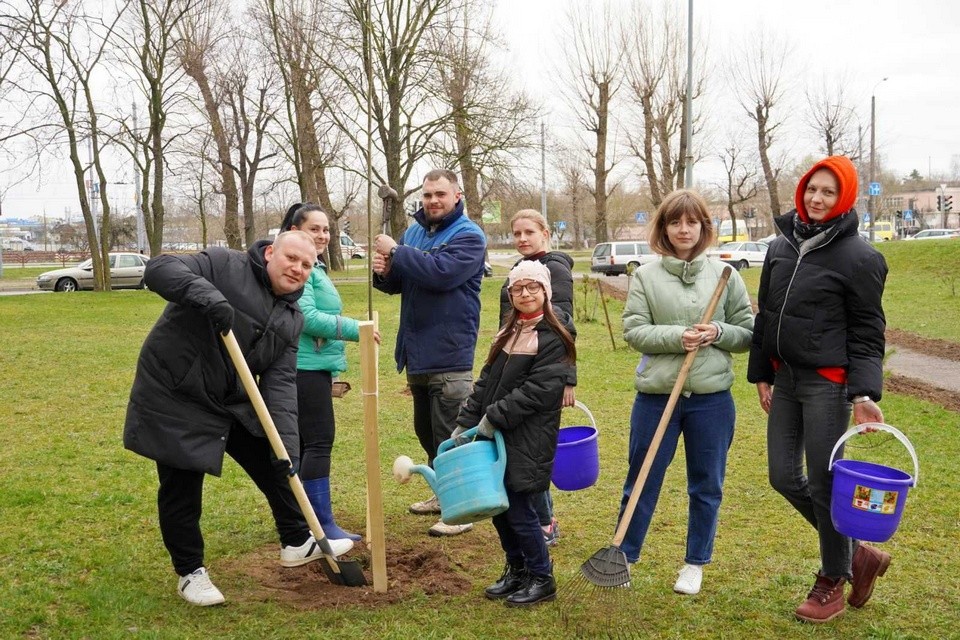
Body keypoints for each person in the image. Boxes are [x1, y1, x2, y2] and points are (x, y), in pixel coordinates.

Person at [123, 231, 354, 607]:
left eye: (306, 265)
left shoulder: (291, 318)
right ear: (268, 254)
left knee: (272, 455)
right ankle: (190, 572)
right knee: (182, 476)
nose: (297, 269)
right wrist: (206, 295)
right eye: (291, 258)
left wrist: (287, 447)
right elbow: (159, 269)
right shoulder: (222, 265)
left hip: (228, 395)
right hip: (176, 388)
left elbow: (280, 386)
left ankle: (296, 540)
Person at [747, 155, 889, 624]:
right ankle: (858, 555)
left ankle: (832, 579)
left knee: (826, 484)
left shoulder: (861, 258)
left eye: (829, 192)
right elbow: (766, 314)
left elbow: (868, 332)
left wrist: (864, 395)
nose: (817, 198)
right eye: (812, 189)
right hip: (785, 379)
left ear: (844, 197)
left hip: (828, 386)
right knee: (783, 477)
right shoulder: (781, 245)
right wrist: (762, 372)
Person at [618, 189, 754, 596]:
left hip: (711, 399)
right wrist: (680, 336)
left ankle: (695, 562)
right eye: (675, 222)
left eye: (691, 222)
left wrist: (718, 332)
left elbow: (747, 331)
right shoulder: (645, 275)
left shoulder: (726, 275)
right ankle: (623, 555)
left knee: (706, 484)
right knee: (641, 479)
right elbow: (634, 330)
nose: (683, 229)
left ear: (703, 227)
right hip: (658, 398)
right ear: (664, 228)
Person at [372, 169, 487, 537]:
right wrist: (384, 271)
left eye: (440, 194)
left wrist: (397, 251)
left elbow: (439, 273)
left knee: (451, 433)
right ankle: (443, 493)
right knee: (426, 431)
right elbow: (401, 281)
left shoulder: (470, 236)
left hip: (450, 350)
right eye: (427, 195)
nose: (433, 201)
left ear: (457, 195)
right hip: (416, 349)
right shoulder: (415, 232)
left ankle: (463, 506)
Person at [455, 261, 576, 606]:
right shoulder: (509, 331)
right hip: (495, 435)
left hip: (528, 437)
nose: (525, 294)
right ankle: (517, 570)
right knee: (499, 507)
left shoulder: (554, 336)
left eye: (533, 287)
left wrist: (493, 418)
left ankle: (542, 577)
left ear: (546, 292)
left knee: (521, 509)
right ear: (510, 294)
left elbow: (538, 390)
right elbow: (485, 380)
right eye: (518, 288)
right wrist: (467, 419)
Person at [279, 203, 380, 544]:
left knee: (308, 444)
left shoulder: (314, 267)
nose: (322, 235)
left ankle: (307, 520)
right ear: (295, 230)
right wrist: (357, 328)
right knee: (318, 442)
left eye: (326, 230)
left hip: (312, 365)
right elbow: (304, 316)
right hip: (304, 367)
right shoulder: (301, 268)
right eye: (315, 229)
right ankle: (321, 523)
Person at [498, 209, 577, 546]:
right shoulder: (517, 269)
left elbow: (565, 324)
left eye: (529, 232)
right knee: (520, 451)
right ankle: (536, 518)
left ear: (545, 231)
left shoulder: (554, 268)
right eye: (516, 234)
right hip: (514, 364)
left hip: (540, 370)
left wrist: (568, 379)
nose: (522, 239)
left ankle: (544, 522)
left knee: (532, 452)